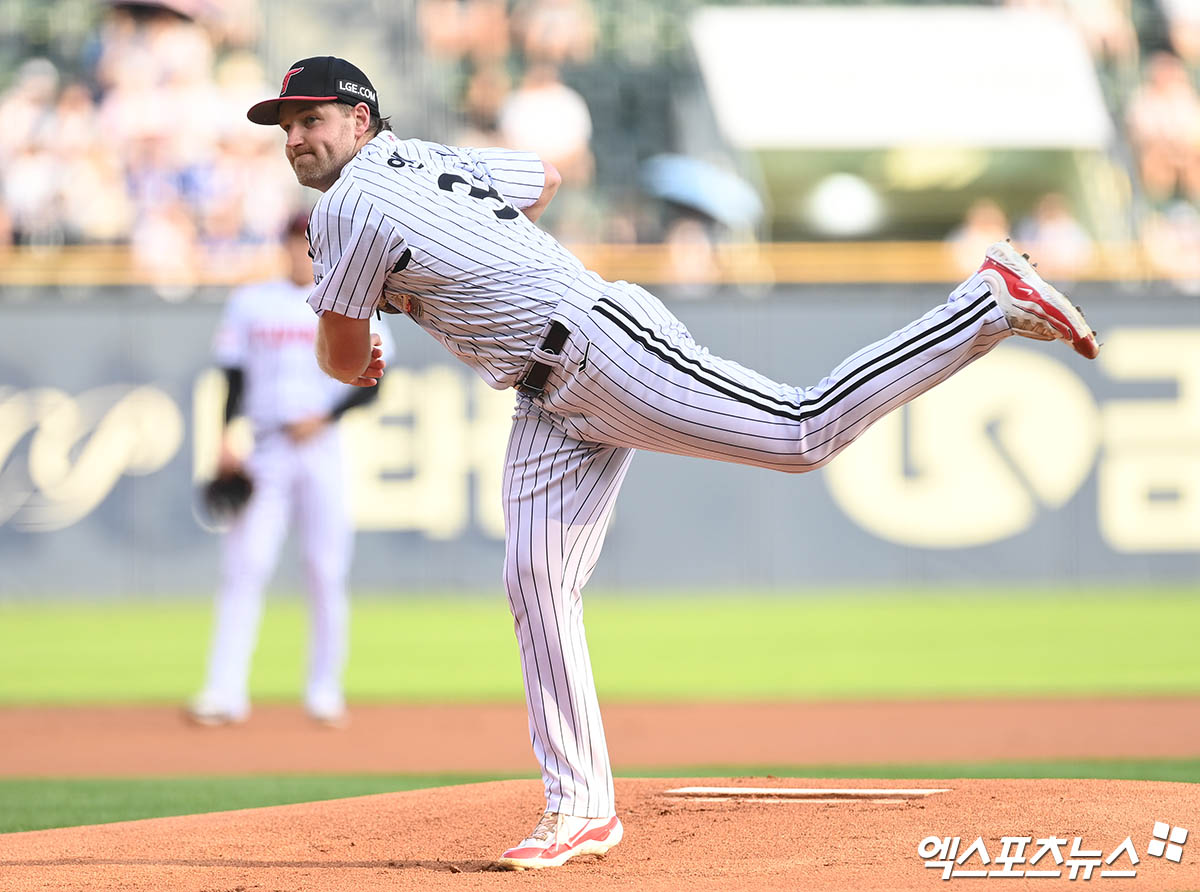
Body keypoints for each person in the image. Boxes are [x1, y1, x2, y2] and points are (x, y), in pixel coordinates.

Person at [245, 56, 1100, 868]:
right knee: (536, 578)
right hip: (546, 392)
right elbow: (539, 178)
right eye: (284, 126)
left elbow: (343, 355)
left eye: (310, 119)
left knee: (800, 433)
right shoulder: (419, 155)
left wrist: (376, 337)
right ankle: (581, 806)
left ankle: (983, 303)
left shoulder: (345, 204)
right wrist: (459, 249)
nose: (295, 139)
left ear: (359, 119)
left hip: (598, 346)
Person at [188, 209, 394, 729]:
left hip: (321, 449)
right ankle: (223, 692)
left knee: (326, 571)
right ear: (281, 245)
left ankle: (325, 691)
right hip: (264, 448)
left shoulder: (353, 303)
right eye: (292, 241)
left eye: (308, 243)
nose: (299, 251)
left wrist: (323, 417)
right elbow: (232, 379)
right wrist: (224, 439)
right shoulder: (250, 302)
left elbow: (376, 386)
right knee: (244, 568)